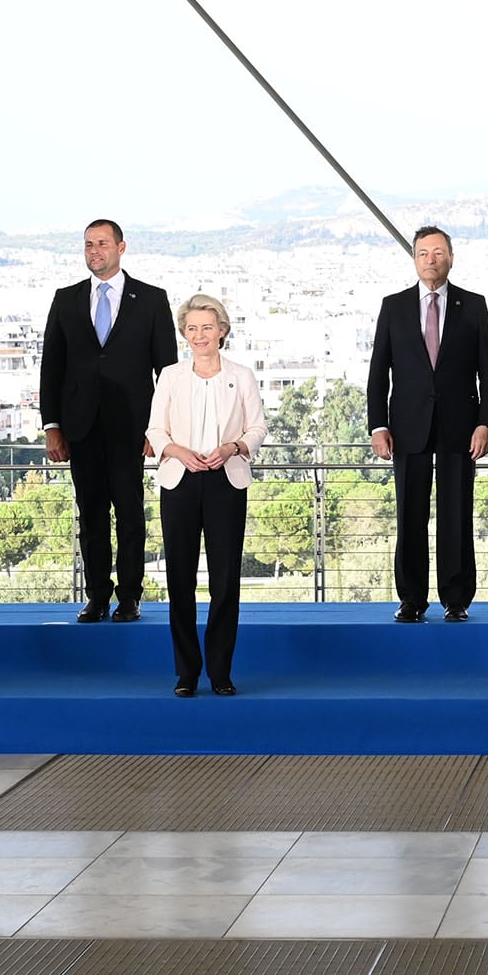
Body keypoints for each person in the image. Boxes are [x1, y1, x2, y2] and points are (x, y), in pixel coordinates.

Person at [40, 218, 177, 623]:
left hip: (132, 429)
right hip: (79, 428)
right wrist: (52, 426)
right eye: (87, 245)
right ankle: (97, 596)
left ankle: (130, 597)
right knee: (91, 513)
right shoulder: (65, 299)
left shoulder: (151, 299)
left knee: (131, 513)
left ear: (121, 247)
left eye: (101, 243)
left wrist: (161, 430)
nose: (93, 251)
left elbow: (166, 371)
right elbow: (52, 368)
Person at [367, 225, 488, 623]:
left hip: (461, 427)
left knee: (456, 511)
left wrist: (486, 423)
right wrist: (378, 425)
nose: (431, 259)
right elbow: (378, 372)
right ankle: (411, 598)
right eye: (423, 253)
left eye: (438, 252)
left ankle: (456, 598)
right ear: (413, 258)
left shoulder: (473, 305)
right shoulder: (393, 306)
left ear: (451, 258)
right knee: (410, 513)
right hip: (407, 427)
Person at [145, 294, 268, 697]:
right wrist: (178, 451)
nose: (200, 336)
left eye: (207, 328)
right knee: (179, 579)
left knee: (225, 579)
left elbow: (257, 429)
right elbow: (155, 430)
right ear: (184, 333)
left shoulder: (242, 375)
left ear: (222, 331)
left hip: (225, 481)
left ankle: (220, 671)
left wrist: (232, 447)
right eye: (192, 328)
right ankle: (186, 672)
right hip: (179, 480)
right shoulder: (169, 376)